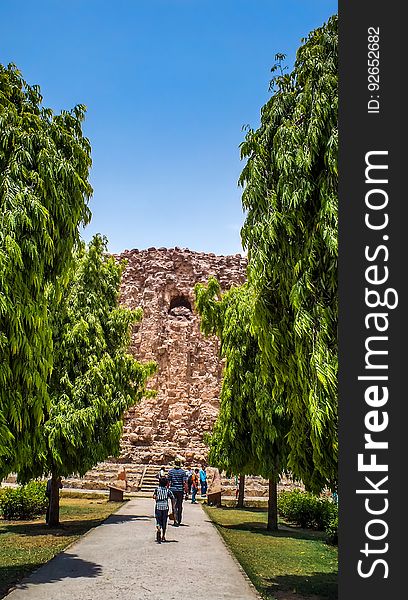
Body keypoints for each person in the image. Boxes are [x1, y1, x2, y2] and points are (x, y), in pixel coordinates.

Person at [153, 476, 174, 543]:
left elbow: (154, 496)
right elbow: (172, 497)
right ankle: (163, 536)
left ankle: (158, 527)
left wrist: (156, 497)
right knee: (164, 521)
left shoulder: (157, 489)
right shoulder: (168, 490)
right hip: (165, 507)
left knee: (158, 519)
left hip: (158, 506)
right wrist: (173, 508)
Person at [167, 458, 187, 526]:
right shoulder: (183, 472)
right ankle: (179, 518)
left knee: (174, 505)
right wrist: (187, 492)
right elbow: (184, 483)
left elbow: (168, 482)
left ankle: (175, 520)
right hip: (180, 490)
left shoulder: (171, 472)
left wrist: (167, 490)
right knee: (180, 505)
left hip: (173, 490)